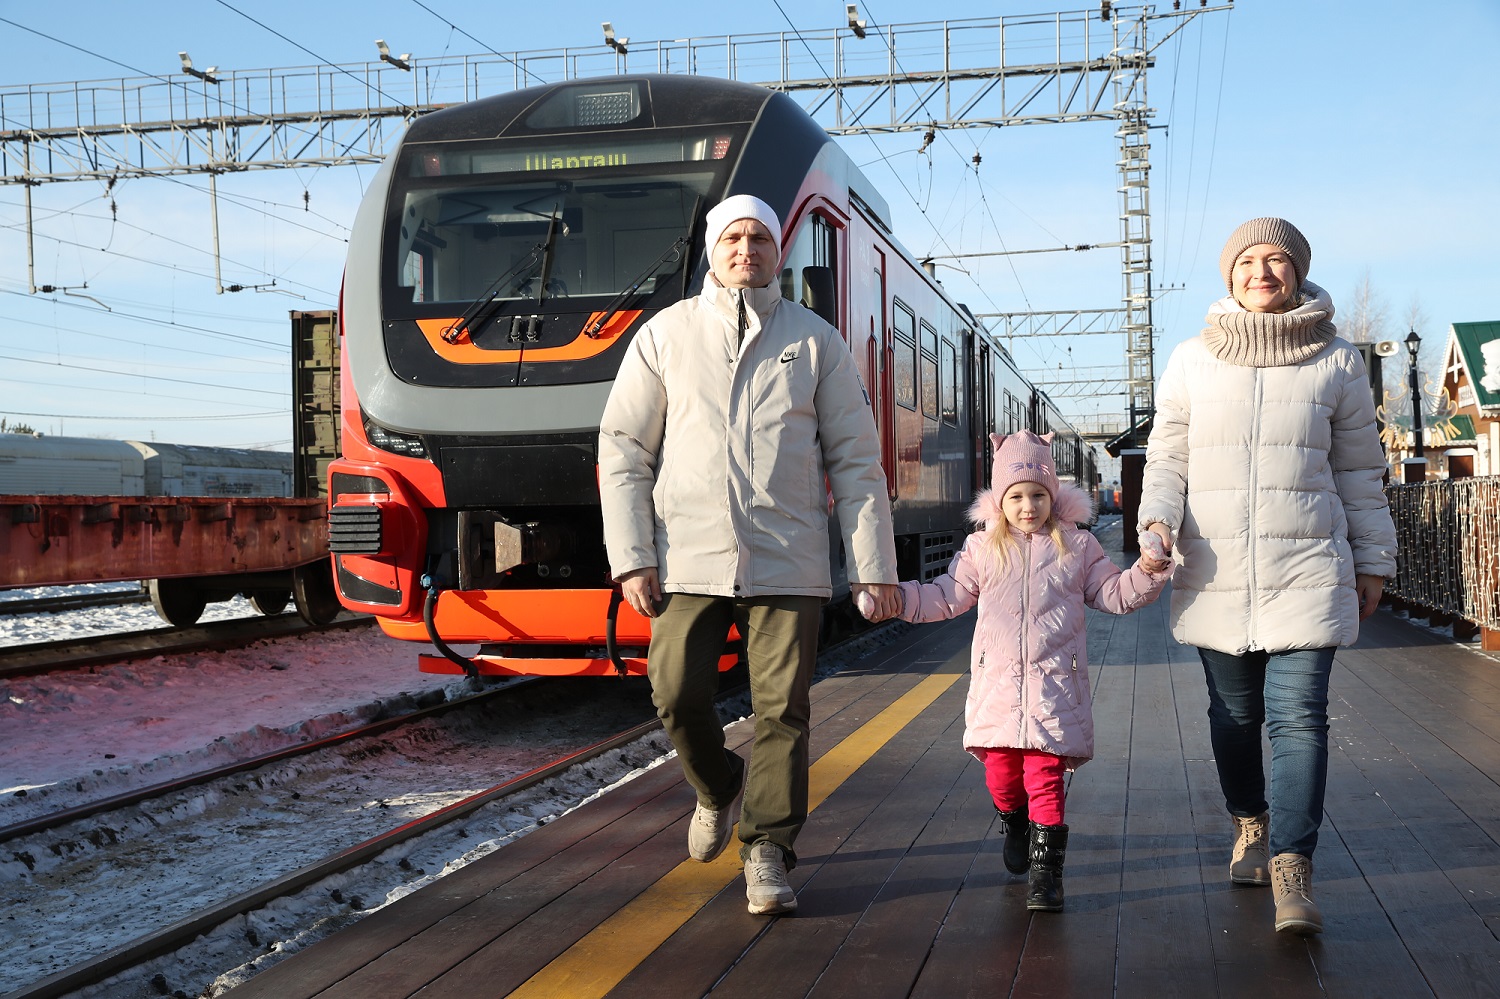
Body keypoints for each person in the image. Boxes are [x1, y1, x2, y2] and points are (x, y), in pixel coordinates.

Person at [598, 193, 900, 916]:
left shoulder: (815, 341)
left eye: (759, 238)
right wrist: (632, 554)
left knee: (782, 711)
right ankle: (717, 785)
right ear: (712, 249)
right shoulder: (665, 336)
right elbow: (624, 450)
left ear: (777, 251)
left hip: (787, 554)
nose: (746, 249)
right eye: (732, 237)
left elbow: (857, 462)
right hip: (688, 554)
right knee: (673, 689)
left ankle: (767, 848)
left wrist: (872, 567)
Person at [1138, 217, 1397, 935]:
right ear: (1230, 275)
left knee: (1299, 717)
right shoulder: (1192, 360)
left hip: (1308, 567)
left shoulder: (1338, 362)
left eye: (1277, 259)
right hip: (1215, 570)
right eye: (1249, 259)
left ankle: (1293, 864)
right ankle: (1248, 821)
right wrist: (1155, 522)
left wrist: (1374, 560)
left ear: (1298, 272)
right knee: (1235, 717)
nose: (1262, 271)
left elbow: (1360, 474)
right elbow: (1167, 459)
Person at [867, 430, 1173, 912]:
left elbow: (1115, 593)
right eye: (1016, 496)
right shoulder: (983, 548)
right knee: (1003, 779)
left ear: (1052, 496)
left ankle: (1046, 876)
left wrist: (1150, 570)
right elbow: (947, 597)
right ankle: (1013, 820)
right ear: (999, 500)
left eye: (1037, 494)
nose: (1028, 505)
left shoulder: (1077, 546)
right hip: (999, 693)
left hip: (1055, 690)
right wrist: (899, 598)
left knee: (1045, 778)